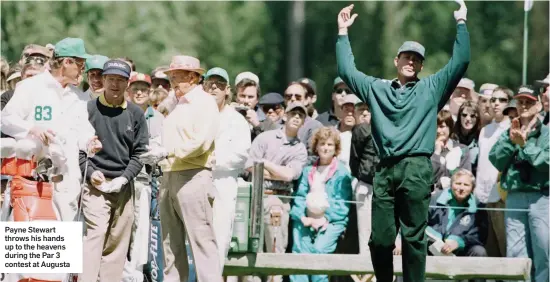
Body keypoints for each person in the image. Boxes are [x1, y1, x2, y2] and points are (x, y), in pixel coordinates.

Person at [335, 1, 470, 280]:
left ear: (421, 65)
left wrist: (461, 23)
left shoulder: (431, 88)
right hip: (384, 169)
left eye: (416, 59)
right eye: (406, 57)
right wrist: (342, 33)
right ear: (396, 61)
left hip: (417, 168)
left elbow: (461, 61)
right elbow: (348, 72)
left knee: (413, 240)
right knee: (381, 241)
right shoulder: (377, 88)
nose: (411, 62)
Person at [140, 55, 223, 282]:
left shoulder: (205, 103)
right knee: (170, 244)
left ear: (194, 78)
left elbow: (202, 142)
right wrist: (158, 148)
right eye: (171, 77)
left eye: (178, 77)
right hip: (169, 175)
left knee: (202, 243)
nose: (173, 82)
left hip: (193, 176)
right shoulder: (176, 105)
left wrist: (168, 151)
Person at [78, 59, 149, 282]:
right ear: (104, 81)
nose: (114, 85)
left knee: (117, 243)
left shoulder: (136, 114)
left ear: (128, 83)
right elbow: (79, 150)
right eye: (110, 79)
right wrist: (90, 173)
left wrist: (125, 178)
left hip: (123, 186)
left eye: (120, 80)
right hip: (95, 183)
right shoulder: (88, 109)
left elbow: (140, 153)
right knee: (95, 236)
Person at [489, 85, 549, 282]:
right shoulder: (509, 131)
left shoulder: (546, 132)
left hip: (541, 197)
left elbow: (546, 162)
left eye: (528, 102)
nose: (523, 106)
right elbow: (495, 159)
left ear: (538, 105)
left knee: (544, 251)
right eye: (520, 102)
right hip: (514, 196)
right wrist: (511, 142)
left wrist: (526, 145)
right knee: (515, 252)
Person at [202, 67, 251, 273]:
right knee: (195, 237)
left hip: (223, 182)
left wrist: (212, 161)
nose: (214, 87)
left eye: (219, 84)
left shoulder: (237, 120)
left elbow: (241, 155)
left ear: (227, 90)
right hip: (196, 180)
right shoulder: (196, 115)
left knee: (220, 237)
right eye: (210, 83)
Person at [289, 127, 352, 282]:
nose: (325, 148)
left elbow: (342, 204)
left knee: (319, 251)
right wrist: (302, 217)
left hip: (331, 221)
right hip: (306, 218)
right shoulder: (307, 170)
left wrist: (324, 219)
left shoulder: (342, 172)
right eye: (322, 143)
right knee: (300, 253)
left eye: (330, 145)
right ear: (316, 146)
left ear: (336, 148)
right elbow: (300, 196)